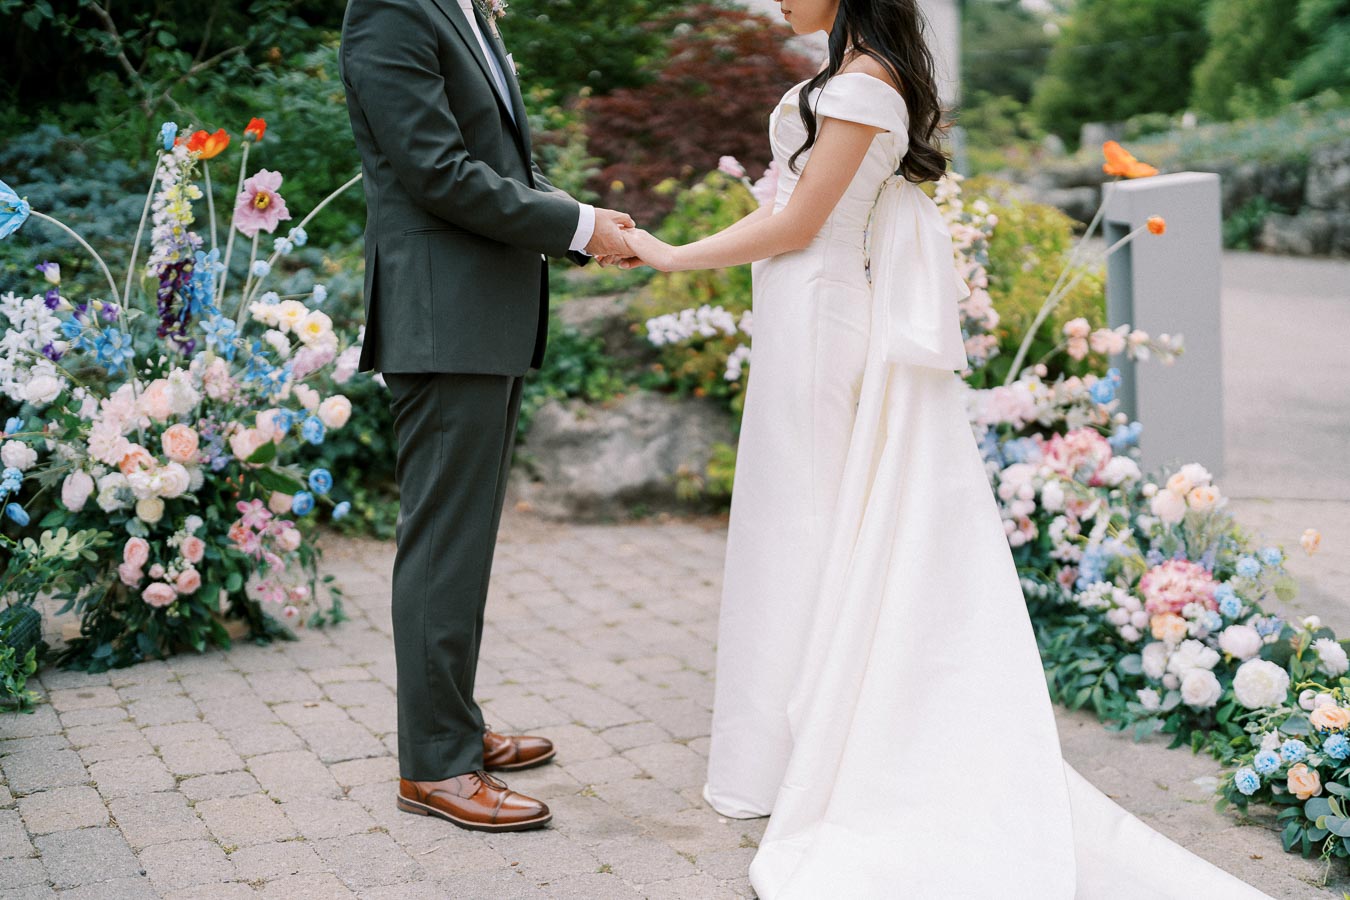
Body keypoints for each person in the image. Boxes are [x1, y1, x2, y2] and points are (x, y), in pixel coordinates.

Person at [616, 0, 1276, 896]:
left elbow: (801, 222)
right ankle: (788, 748)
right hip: (799, 306)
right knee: (791, 522)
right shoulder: (849, 75)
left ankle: (821, 749)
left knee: (805, 525)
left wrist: (667, 253)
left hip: (817, 310)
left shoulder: (863, 83)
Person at [339, 0, 634, 833]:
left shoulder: (462, 9)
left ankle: (455, 726)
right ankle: (434, 764)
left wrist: (585, 225)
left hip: (481, 314)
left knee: (462, 542)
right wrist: (576, 225)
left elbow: (495, 159)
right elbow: (435, 170)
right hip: (442, 316)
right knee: (441, 545)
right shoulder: (390, 9)